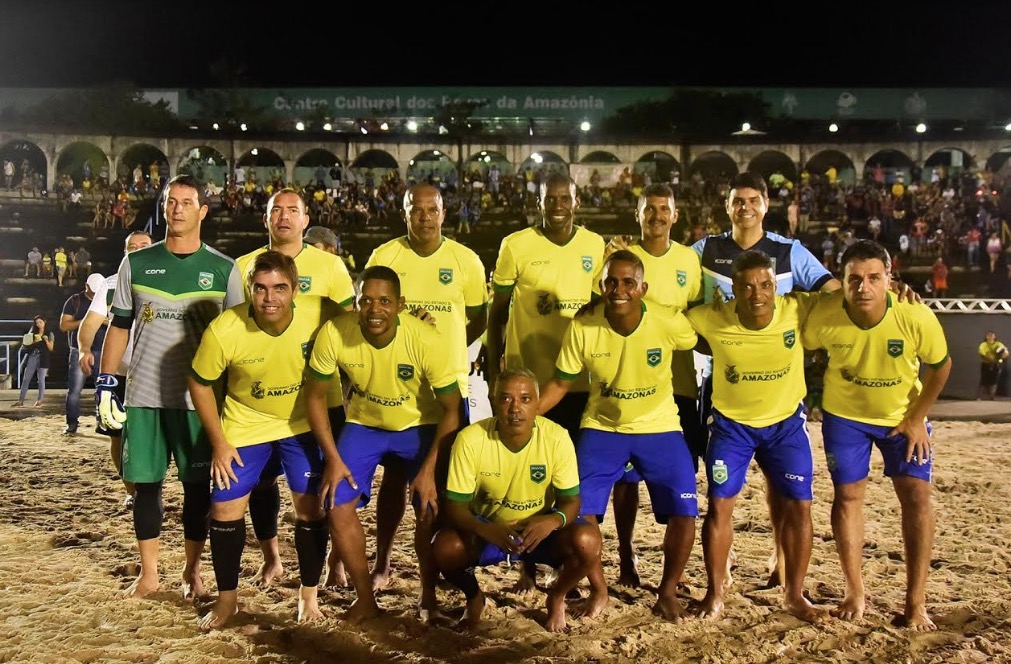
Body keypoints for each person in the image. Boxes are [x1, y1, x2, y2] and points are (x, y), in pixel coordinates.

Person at [96, 174, 244, 599]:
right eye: (171, 201)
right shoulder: (136, 264)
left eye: (186, 202)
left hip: (200, 402)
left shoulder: (224, 269)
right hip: (144, 395)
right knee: (146, 486)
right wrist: (106, 384)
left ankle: (192, 570)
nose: (177, 209)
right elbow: (119, 327)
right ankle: (149, 574)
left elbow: (237, 340)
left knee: (197, 489)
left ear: (203, 211)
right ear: (163, 208)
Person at [692, 171, 840, 587]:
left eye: (753, 200)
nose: (746, 208)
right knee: (721, 489)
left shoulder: (788, 251)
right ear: (727, 206)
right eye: (738, 201)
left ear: (766, 204)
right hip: (719, 379)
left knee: (781, 482)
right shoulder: (704, 250)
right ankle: (724, 560)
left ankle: (780, 556)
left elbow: (831, 289)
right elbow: (672, 285)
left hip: (778, 388)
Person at [538, 250, 700, 621]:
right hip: (602, 426)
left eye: (628, 282)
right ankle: (600, 590)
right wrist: (530, 412)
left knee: (685, 510)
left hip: (660, 426)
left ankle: (666, 592)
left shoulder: (667, 320)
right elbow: (561, 382)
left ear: (643, 288)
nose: (619, 289)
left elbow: (700, 339)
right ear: (600, 287)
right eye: (611, 282)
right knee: (577, 510)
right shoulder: (584, 325)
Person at [801, 239, 951, 631]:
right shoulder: (824, 314)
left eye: (873, 278)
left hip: (902, 417)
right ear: (842, 280)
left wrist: (918, 418)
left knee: (917, 497)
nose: (863, 287)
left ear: (889, 278)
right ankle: (855, 592)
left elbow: (941, 366)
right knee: (848, 497)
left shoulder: (914, 314)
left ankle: (915, 602)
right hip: (845, 418)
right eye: (854, 278)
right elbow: (802, 337)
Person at [304, 266, 463, 623]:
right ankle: (365, 598)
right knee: (335, 500)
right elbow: (314, 397)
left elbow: (453, 409)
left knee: (428, 506)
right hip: (365, 424)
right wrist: (332, 458)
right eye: (366, 301)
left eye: (385, 301)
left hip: (419, 425)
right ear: (356, 303)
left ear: (400, 305)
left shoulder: (425, 339)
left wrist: (429, 469)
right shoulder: (335, 332)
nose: (375, 309)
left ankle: (427, 595)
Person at [189, 251, 338, 629]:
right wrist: (220, 443)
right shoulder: (225, 328)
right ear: (249, 289)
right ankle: (227, 601)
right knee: (224, 507)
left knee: (311, 509)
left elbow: (366, 323)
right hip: (245, 424)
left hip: (300, 424)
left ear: (295, 289)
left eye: (279, 288)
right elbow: (199, 383)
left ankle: (308, 596)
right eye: (260, 288)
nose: (270, 298)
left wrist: (412, 321)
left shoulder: (321, 312)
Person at [685, 250, 826, 623]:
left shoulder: (797, 309)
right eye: (747, 286)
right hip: (732, 428)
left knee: (800, 507)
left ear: (775, 285)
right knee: (719, 506)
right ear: (734, 288)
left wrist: (897, 292)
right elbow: (664, 319)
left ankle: (794, 594)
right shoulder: (711, 317)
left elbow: (842, 297)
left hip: (785, 427)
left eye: (765, 285)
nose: (757, 294)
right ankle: (715, 594)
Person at [362, 183, 488, 592]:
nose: (424, 217)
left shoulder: (466, 261)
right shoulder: (385, 257)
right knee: (393, 482)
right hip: (395, 388)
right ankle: (382, 562)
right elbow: (369, 314)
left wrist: (443, 348)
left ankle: (433, 575)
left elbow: (479, 318)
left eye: (432, 209)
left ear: (444, 213)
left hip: (447, 389)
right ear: (404, 213)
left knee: (440, 487)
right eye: (416, 209)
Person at [486, 172, 605, 589]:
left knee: (569, 475)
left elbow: (602, 306)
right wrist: (493, 370)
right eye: (550, 199)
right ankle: (526, 564)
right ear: (539, 202)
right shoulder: (515, 245)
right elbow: (497, 313)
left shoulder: (595, 246)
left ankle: (567, 557)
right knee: (526, 475)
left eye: (564, 198)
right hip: (528, 384)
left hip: (579, 381)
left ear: (577, 201)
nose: (557, 206)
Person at [235, 188, 355, 589]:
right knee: (262, 484)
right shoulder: (242, 267)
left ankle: (334, 562)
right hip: (258, 403)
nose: (284, 216)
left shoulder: (330, 266)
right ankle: (271, 559)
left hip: (320, 400)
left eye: (292, 210)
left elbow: (349, 328)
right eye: (276, 210)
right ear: (265, 218)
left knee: (327, 488)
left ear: (305, 219)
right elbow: (234, 329)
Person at [433, 368, 597, 632]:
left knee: (588, 541)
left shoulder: (556, 437)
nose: (515, 408)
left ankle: (556, 598)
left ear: (537, 402)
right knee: (445, 547)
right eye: (506, 398)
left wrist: (552, 521)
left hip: (539, 532)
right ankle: (474, 598)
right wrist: (485, 528)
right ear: (493, 401)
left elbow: (572, 500)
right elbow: (454, 506)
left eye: (525, 399)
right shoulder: (470, 439)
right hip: (491, 530)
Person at [597, 183, 703, 588]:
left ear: (675, 215)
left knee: (678, 481)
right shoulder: (621, 258)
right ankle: (626, 555)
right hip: (627, 386)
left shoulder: (689, 260)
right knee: (626, 484)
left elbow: (698, 317)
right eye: (649, 209)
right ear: (637, 214)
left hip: (679, 386)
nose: (657, 216)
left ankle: (673, 571)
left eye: (664, 209)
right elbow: (600, 309)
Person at [78, 231, 153, 506]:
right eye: (132, 247)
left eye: (144, 246)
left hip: (157, 376)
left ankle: (153, 486)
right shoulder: (110, 284)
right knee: (117, 435)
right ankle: (131, 491)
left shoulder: (168, 279)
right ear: (125, 252)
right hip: (119, 375)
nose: (138, 250)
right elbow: (90, 322)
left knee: (154, 436)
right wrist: (85, 349)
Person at [60, 272, 105, 436]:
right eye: (92, 292)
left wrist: (103, 320)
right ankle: (71, 424)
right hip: (78, 351)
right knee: (74, 390)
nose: (95, 295)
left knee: (103, 390)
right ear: (86, 286)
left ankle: (102, 422)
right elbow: (64, 326)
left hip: (102, 349)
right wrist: (88, 320)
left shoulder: (107, 298)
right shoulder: (75, 301)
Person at [13, 315, 55, 408]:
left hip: (43, 357)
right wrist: (32, 341)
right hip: (33, 356)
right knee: (26, 379)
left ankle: (40, 400)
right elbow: (26, 345)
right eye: (37, 323)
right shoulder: (33, 333)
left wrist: (46, 340)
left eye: (40, 322)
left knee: (41, 380)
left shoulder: (49, 333)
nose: (39, 324)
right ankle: (20, 400)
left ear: (44, 322)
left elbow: (51, 348)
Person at [977, 330, 1009, 400]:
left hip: (995, 365)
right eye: (989, 335)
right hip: (986, 364)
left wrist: (1003, 355)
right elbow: (982, 353)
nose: (990, 337)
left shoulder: (998, 344)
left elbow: (1005, 352)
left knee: (994, 381)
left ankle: (992, 396)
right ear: (986, 337)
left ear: (995, 337)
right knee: (983, 380)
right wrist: (990, 359)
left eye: (992, 335)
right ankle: (979, 397)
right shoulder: (983, 344)